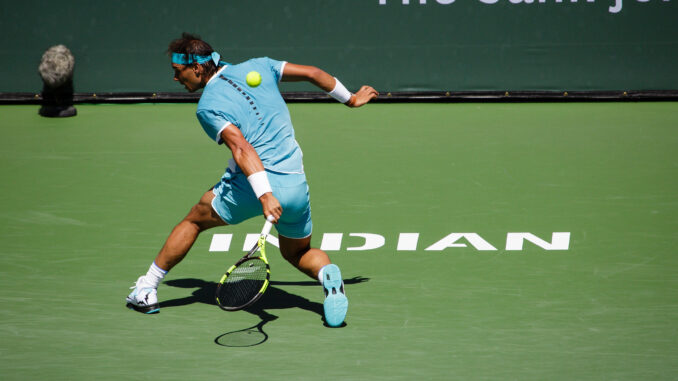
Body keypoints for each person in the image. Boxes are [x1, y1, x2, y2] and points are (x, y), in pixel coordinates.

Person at [126, 33, 378, 327]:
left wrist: (264, 195)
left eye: (177, 71)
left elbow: (241, 147)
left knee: (195, 219)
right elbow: (313, 73)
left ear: (196, 68)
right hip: (296, 184)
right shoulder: (261, 65)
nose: (175, 78)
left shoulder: (207, 107)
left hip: (253, 189)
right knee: (298, 252)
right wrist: (350, 98)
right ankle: (327, 276)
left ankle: (146, 289)